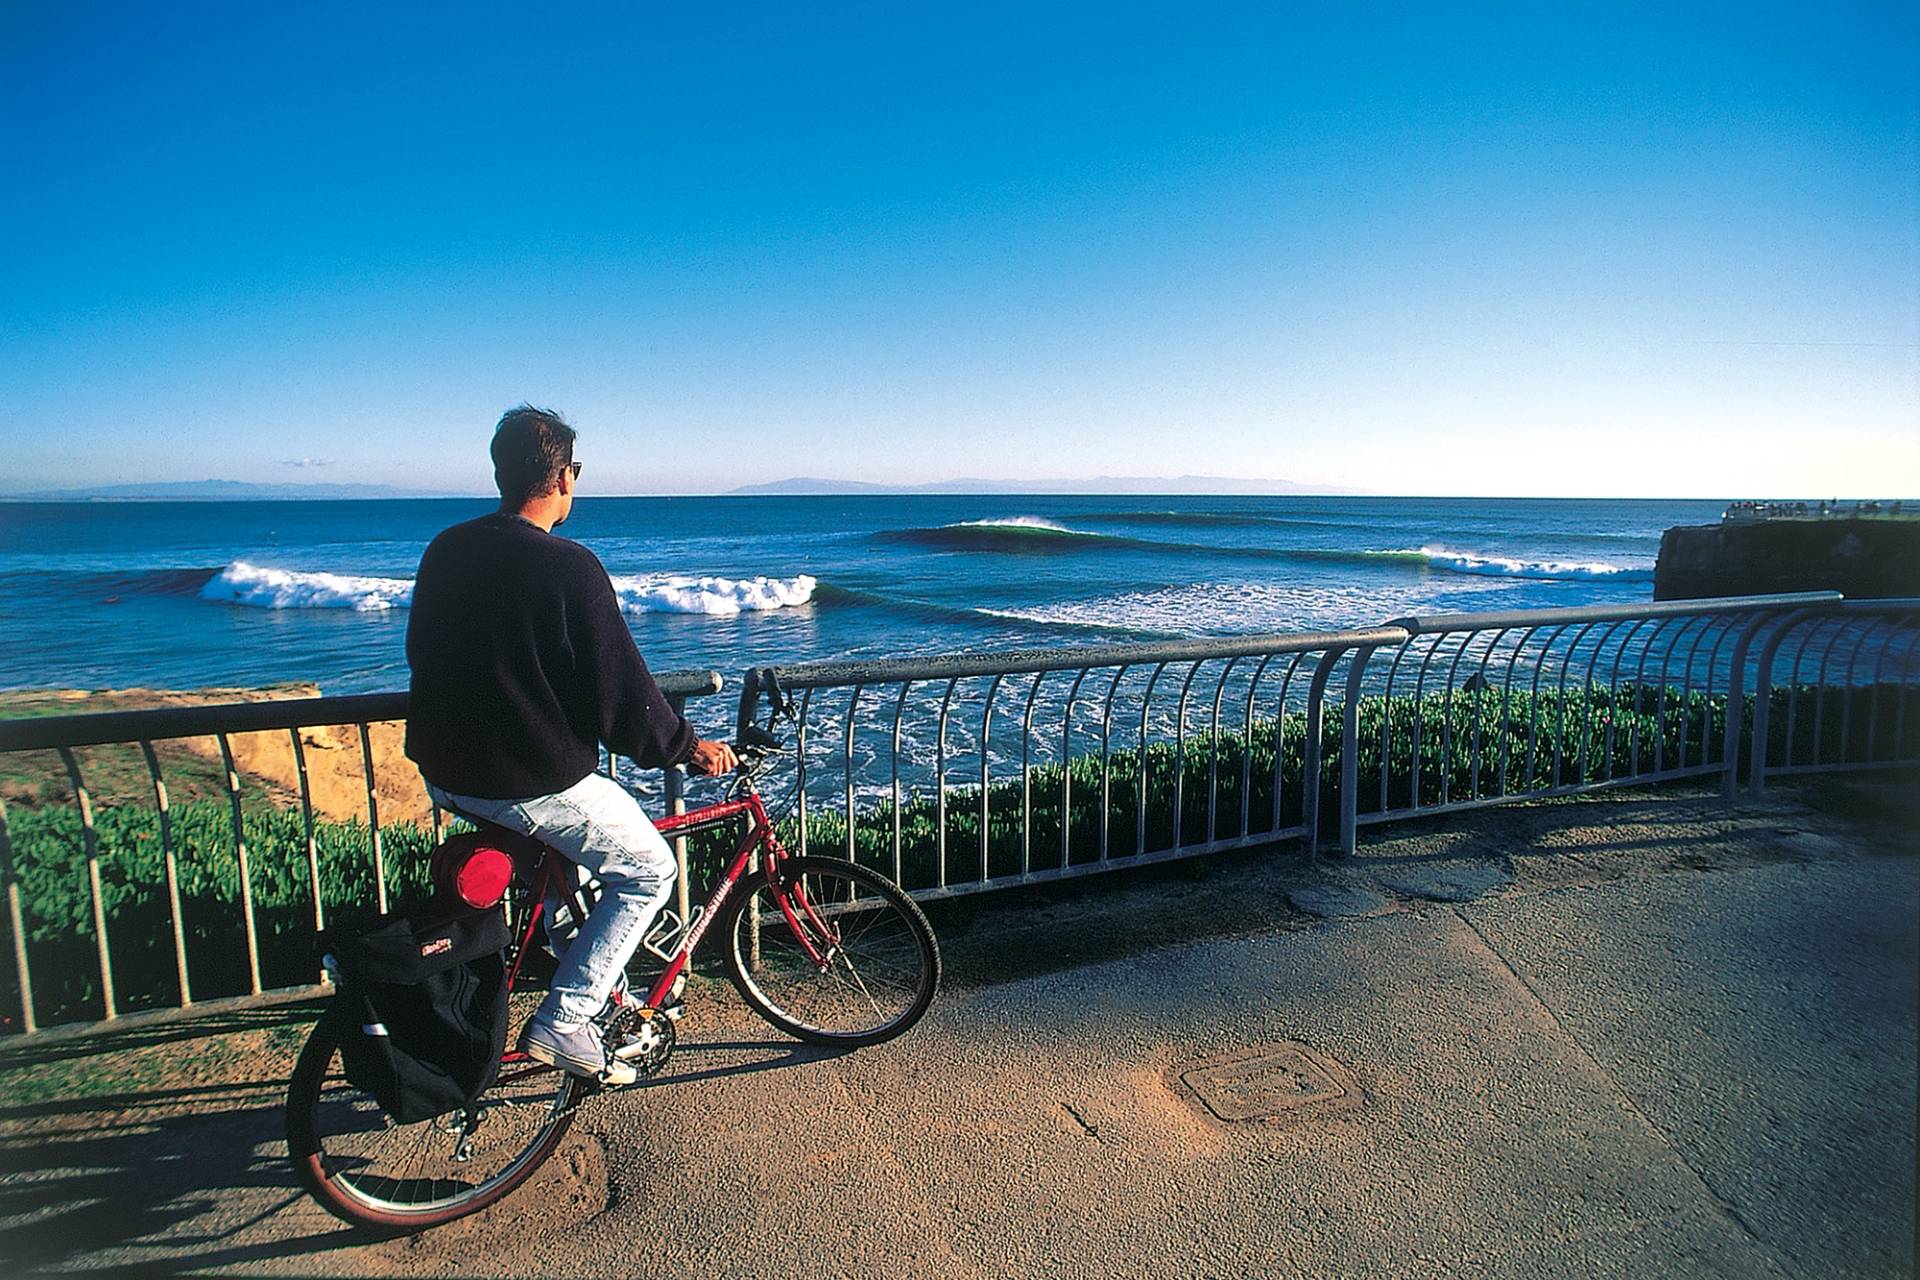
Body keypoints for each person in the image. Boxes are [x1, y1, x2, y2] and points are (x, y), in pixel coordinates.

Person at [404, 405, 737, 1085]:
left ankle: (595, 986)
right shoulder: (570, 567)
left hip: (447, 771)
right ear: (561, 476)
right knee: (649, 870)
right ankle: (567, 1018)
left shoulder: (447, 549)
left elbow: (423, 654)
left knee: (569, 872)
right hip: (522, 777)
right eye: (574, 473)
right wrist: (685, 746)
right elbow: (622, 695)